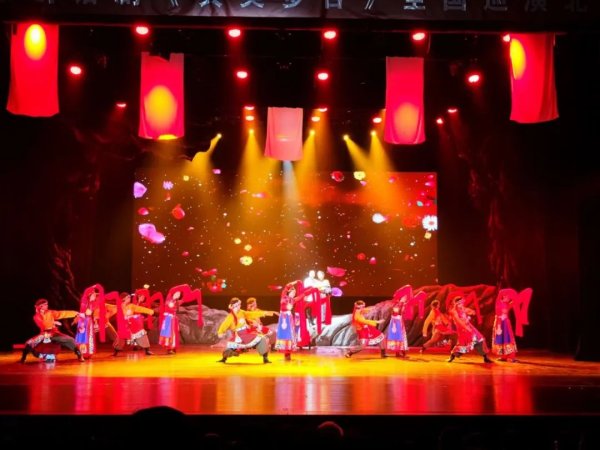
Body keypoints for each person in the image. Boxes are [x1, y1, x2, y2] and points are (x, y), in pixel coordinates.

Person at [20, 298, 84, 363]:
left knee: (70, 340)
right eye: (45, 304)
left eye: (47, 304)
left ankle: (79, 354)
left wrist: (76, 313)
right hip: (44, 334)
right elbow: (42, 325)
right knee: (29, 343)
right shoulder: (36, 316)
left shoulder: (50, 312)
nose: (47, 305)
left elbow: (62, 313)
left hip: (54, 333)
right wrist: (53, 323)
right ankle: (23, 357)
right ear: (41, 306)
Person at [217, 297, 277, 364]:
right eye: (237, 305)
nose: (239, 306)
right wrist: (220, 332)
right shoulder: (230, 317)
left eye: (239, 305)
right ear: (233, 306)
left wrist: (266, 313)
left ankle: (265, 358)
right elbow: (224, 325)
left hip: (246, 333)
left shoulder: (241, 312)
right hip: (239, 336)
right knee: (231, 347)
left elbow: (252, 314)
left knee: (262, 339)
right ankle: (224, 358)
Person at [447, 296, 493, 363]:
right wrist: (466, 328)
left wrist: (472, 312)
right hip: (462, 329)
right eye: (460, 303)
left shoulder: (463, 308)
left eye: (462, 303)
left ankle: (485, 357)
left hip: (469, 326)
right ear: (456, 304)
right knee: (463, 344)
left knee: (480, 339)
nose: (461, 305)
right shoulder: (454, 311)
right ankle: (452, 355)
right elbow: (458, 321)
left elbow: (470, 311)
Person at [113, 292, 155, 356]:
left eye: (130, 297)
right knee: (120, 338)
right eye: (128, 297)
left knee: (141, 334)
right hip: (124, 326)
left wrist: (150, 311)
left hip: (132, 324)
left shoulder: (131, 306)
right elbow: (111, 310)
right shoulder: (118, 307)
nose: (129, 298)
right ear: (123, 299)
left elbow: (140, 309)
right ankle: (116, 351)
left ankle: (147, 350)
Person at [274, 281, 303, 361]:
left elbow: (301, 296)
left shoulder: (293, 300)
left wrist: (311, 290)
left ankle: (288, 352)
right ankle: (285, 352)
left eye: (295, 293)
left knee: (289, 334)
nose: (294, 294)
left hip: (289, 318)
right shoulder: (284, 296)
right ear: (289, 292)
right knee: (284, 334)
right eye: (293, 292)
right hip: (283, 318)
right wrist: (296, 282)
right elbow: (287, 286)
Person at [492, 293, 518, 362]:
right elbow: (498, 315)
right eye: (508, 297)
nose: (509, 298)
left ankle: (510, 357)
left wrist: (514, 297)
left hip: (505, 323)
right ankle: (504, 356)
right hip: (500, 323)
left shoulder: (507, 304)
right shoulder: (499, 303)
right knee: (501, 339)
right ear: (504, 296)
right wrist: (498, 327)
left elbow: (514, 302)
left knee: (507, 339)